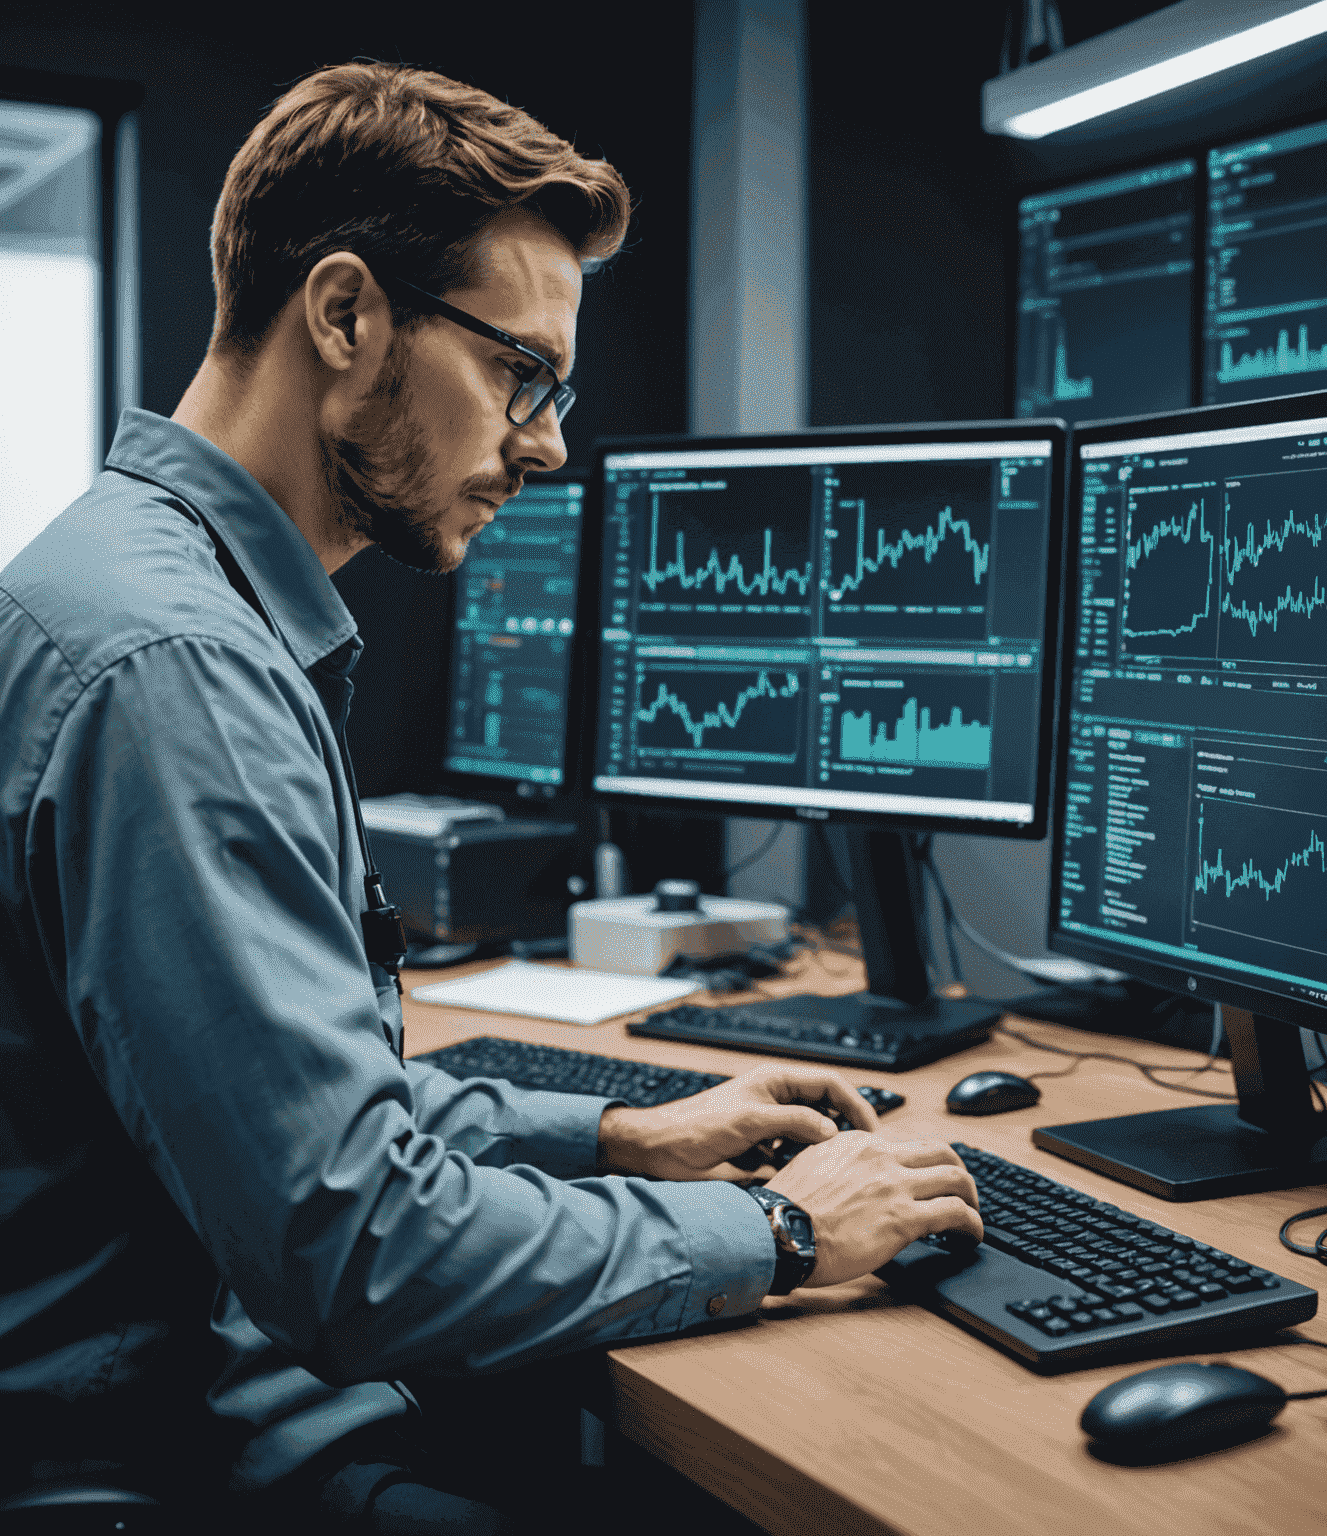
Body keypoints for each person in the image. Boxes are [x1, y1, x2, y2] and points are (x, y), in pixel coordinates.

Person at [0, 62, 982, 1531]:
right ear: (344, 316)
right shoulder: (177, 671)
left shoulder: (129, 584)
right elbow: (359, 1251)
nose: (547, 442)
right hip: (151, 1468)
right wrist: (779, 1227)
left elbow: (290, 1119)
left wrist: (609, 1137)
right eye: (521, 372)